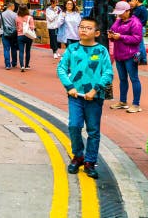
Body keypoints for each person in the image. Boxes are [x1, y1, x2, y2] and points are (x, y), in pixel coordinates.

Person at [57, 16, 113, 179]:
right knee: (74, 126)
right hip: (75, 96)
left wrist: (95, 90)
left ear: (96, 33)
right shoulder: (72, 49)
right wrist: (70, 87)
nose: (83, 30)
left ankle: (90, 161)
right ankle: (78, 156)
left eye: (88, 28)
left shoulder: (101, 51)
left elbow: (108, 73)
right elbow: (61, 69)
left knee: (93, 130)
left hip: (95, 98)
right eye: (81, 27)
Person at [108, 1, 144, 113]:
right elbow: (113, 32)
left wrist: (121, 37)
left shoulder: (135, 22)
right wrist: (112, 36)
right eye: (118, 13)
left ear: (128, 11)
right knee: (122, 79)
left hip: (130, 55)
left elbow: (137, 39)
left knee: (134, 78)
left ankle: (136, 104)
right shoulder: (118, 21)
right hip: (119, 54)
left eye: (122, 12)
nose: (119, 15)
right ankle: (123, 101)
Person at [0, 1, 18, 69]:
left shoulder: (2, 14)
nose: (14, 8)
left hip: (4, 33)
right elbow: (17, 23)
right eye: (14, 6)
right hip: (14, 33)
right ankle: (14, 63)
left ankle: (7, 65)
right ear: (11, 6)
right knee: (14, 48)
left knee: (6, 49)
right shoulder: (15, 14)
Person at [130, 0, 148, 65]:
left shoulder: (139, 9)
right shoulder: (141, 8)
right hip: (140, 28)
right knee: (139, 44)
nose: (132, 2)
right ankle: (141, 59)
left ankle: (143, 59)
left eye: (133, 0)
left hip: (139, 28)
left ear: (137, 0)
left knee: (140, 44)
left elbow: (133, 18)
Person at [16, 5, 35, 72]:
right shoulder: (30, 17)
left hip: (20, 35)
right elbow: (32, 27)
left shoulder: (17, 18)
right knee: (28, 50)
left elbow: (16, 27)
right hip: (28, 35)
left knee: (21, 51)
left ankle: (22, 66)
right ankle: (27, 65)